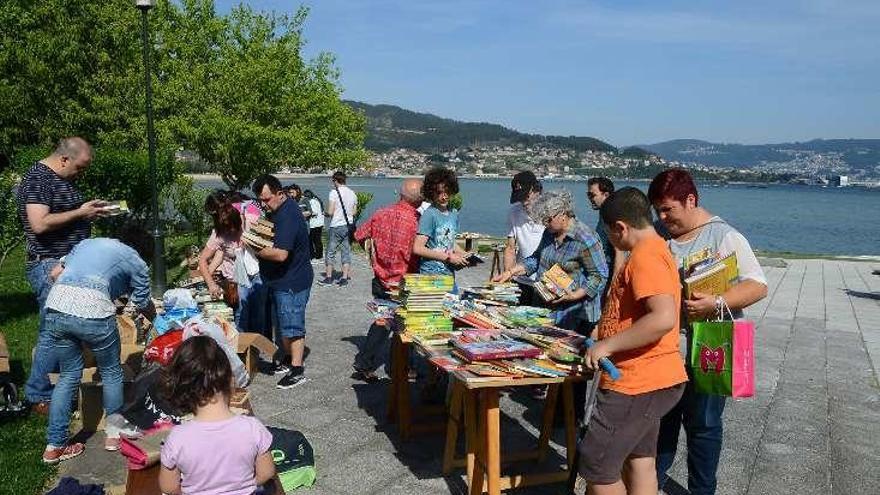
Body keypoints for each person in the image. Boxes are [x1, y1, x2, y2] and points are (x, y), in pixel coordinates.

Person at [648, 169, 767, 495]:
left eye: (668, 209)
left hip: (708, 350)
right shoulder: (659, 234)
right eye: (657, 209)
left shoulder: (724, 236)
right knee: (661, 424)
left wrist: (716, 302)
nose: (662, 217)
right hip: (667, 349)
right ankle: (649, 486)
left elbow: (757, 285)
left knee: (703, 427)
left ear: (691, 200)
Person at [578, 187, 688, 495]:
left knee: (597, 463)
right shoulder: (655, 249)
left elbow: (662, 318)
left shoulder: (645, 256)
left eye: (610, 235)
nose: (610, 242)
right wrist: (603, 332)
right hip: (651, 381)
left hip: (637, 381)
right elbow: (633, 312)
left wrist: (607, 346)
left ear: (620, 228)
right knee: (640, 458)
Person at [41, 236, 156, 463]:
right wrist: (158, 321)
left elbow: (54, 273)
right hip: (95, 311)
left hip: (56, 307)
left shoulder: (87, 244)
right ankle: (114, 436)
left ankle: (54, 446)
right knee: (112, 371)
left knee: (68, 376)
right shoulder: (137, 261)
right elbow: (142, 302)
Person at [17, 137, 107, 414]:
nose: (81, 173)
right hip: (49, 266)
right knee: (53, 333)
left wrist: (86, 215)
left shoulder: (62, 179)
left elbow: (63, 216)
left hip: (67, 264)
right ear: (64, 159)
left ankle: (60, 388)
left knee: (64, 332)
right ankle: (38, 394)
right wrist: (80, 212)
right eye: (80, 167)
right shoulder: (37, 178)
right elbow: (39, 223)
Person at [159, 336, 275, 495]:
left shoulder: (177, 437)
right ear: (231, 382)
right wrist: (248, 486)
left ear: (181, 390)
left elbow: (169, 487)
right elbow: (266, 472)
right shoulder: (252, 427)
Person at [494, 189, 607, 333]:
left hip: (574, 312)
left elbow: (599, 275)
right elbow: (536, 259)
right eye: (543, 220)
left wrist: (575, 294)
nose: (545, 224)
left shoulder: (585, 238)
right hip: (546, 306)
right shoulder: (549, 233)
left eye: (548, 220)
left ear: (563, 214)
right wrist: (511, 272)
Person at [351, 179, 423, 382]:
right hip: (405, 280)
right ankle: (403, 366)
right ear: (419, 199)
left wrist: (375, 252)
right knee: (406, 324)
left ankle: (365, 362)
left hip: (381, 277)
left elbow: (359, 235)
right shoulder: (416, 220)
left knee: (383, 321)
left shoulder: (381, 213)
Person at [251, 175, 314, 389]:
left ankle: (297, 370)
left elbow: (280, 255)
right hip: (280, 280)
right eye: (260, 200)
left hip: (292, 281)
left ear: (280, 194)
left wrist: (256, 249)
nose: (263, 204)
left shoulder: (288, 216)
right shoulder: (278, 210)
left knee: (292, 325)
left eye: (267, 200)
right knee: (283, 324)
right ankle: (287, 359)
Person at [412, 166, 469, 276]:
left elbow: (449, 242)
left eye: (447, 192)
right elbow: (418, 248)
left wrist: (464, 255)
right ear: (431, 193)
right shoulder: (430, 214)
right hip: (431, 274)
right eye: (439, 193)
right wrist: (448, 258)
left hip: (448, 273)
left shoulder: (454, 213)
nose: (443, 197)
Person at [503, 171, 545, 305]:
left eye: (525, 196)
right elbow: (510, 248)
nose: (523, 201)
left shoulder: (550, 210)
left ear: (534, 189)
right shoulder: (514, 212)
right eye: (519, 198)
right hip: (521, 279)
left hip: (545, 282)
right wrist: (508, 275)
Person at [321, 171, 357, 286]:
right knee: (345, 251)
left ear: (335, 180)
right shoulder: (352, 193)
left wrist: (325, 213)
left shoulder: (333, 193)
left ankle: (329, 277)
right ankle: (344, 277)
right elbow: (354, 212)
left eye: (333, 181)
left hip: (336, 225)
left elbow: (330, 211)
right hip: (348, 226)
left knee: (330, 251)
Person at [587, 176, 624, 278]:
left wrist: (614, 283)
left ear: (606, 195)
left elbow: (620, 252)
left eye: (592, 195)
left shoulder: (613, 216)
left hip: (608, 272)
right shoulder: (604, 213)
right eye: (588, 195)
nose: (590, 199)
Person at [302, 189, 324, 262]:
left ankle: (314, 256)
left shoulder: (310, 202)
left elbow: (312, 213)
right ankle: (320, 255)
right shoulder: (318, 200)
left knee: (311, 241)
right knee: (318, 240)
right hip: (320, 223)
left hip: (313, 224)